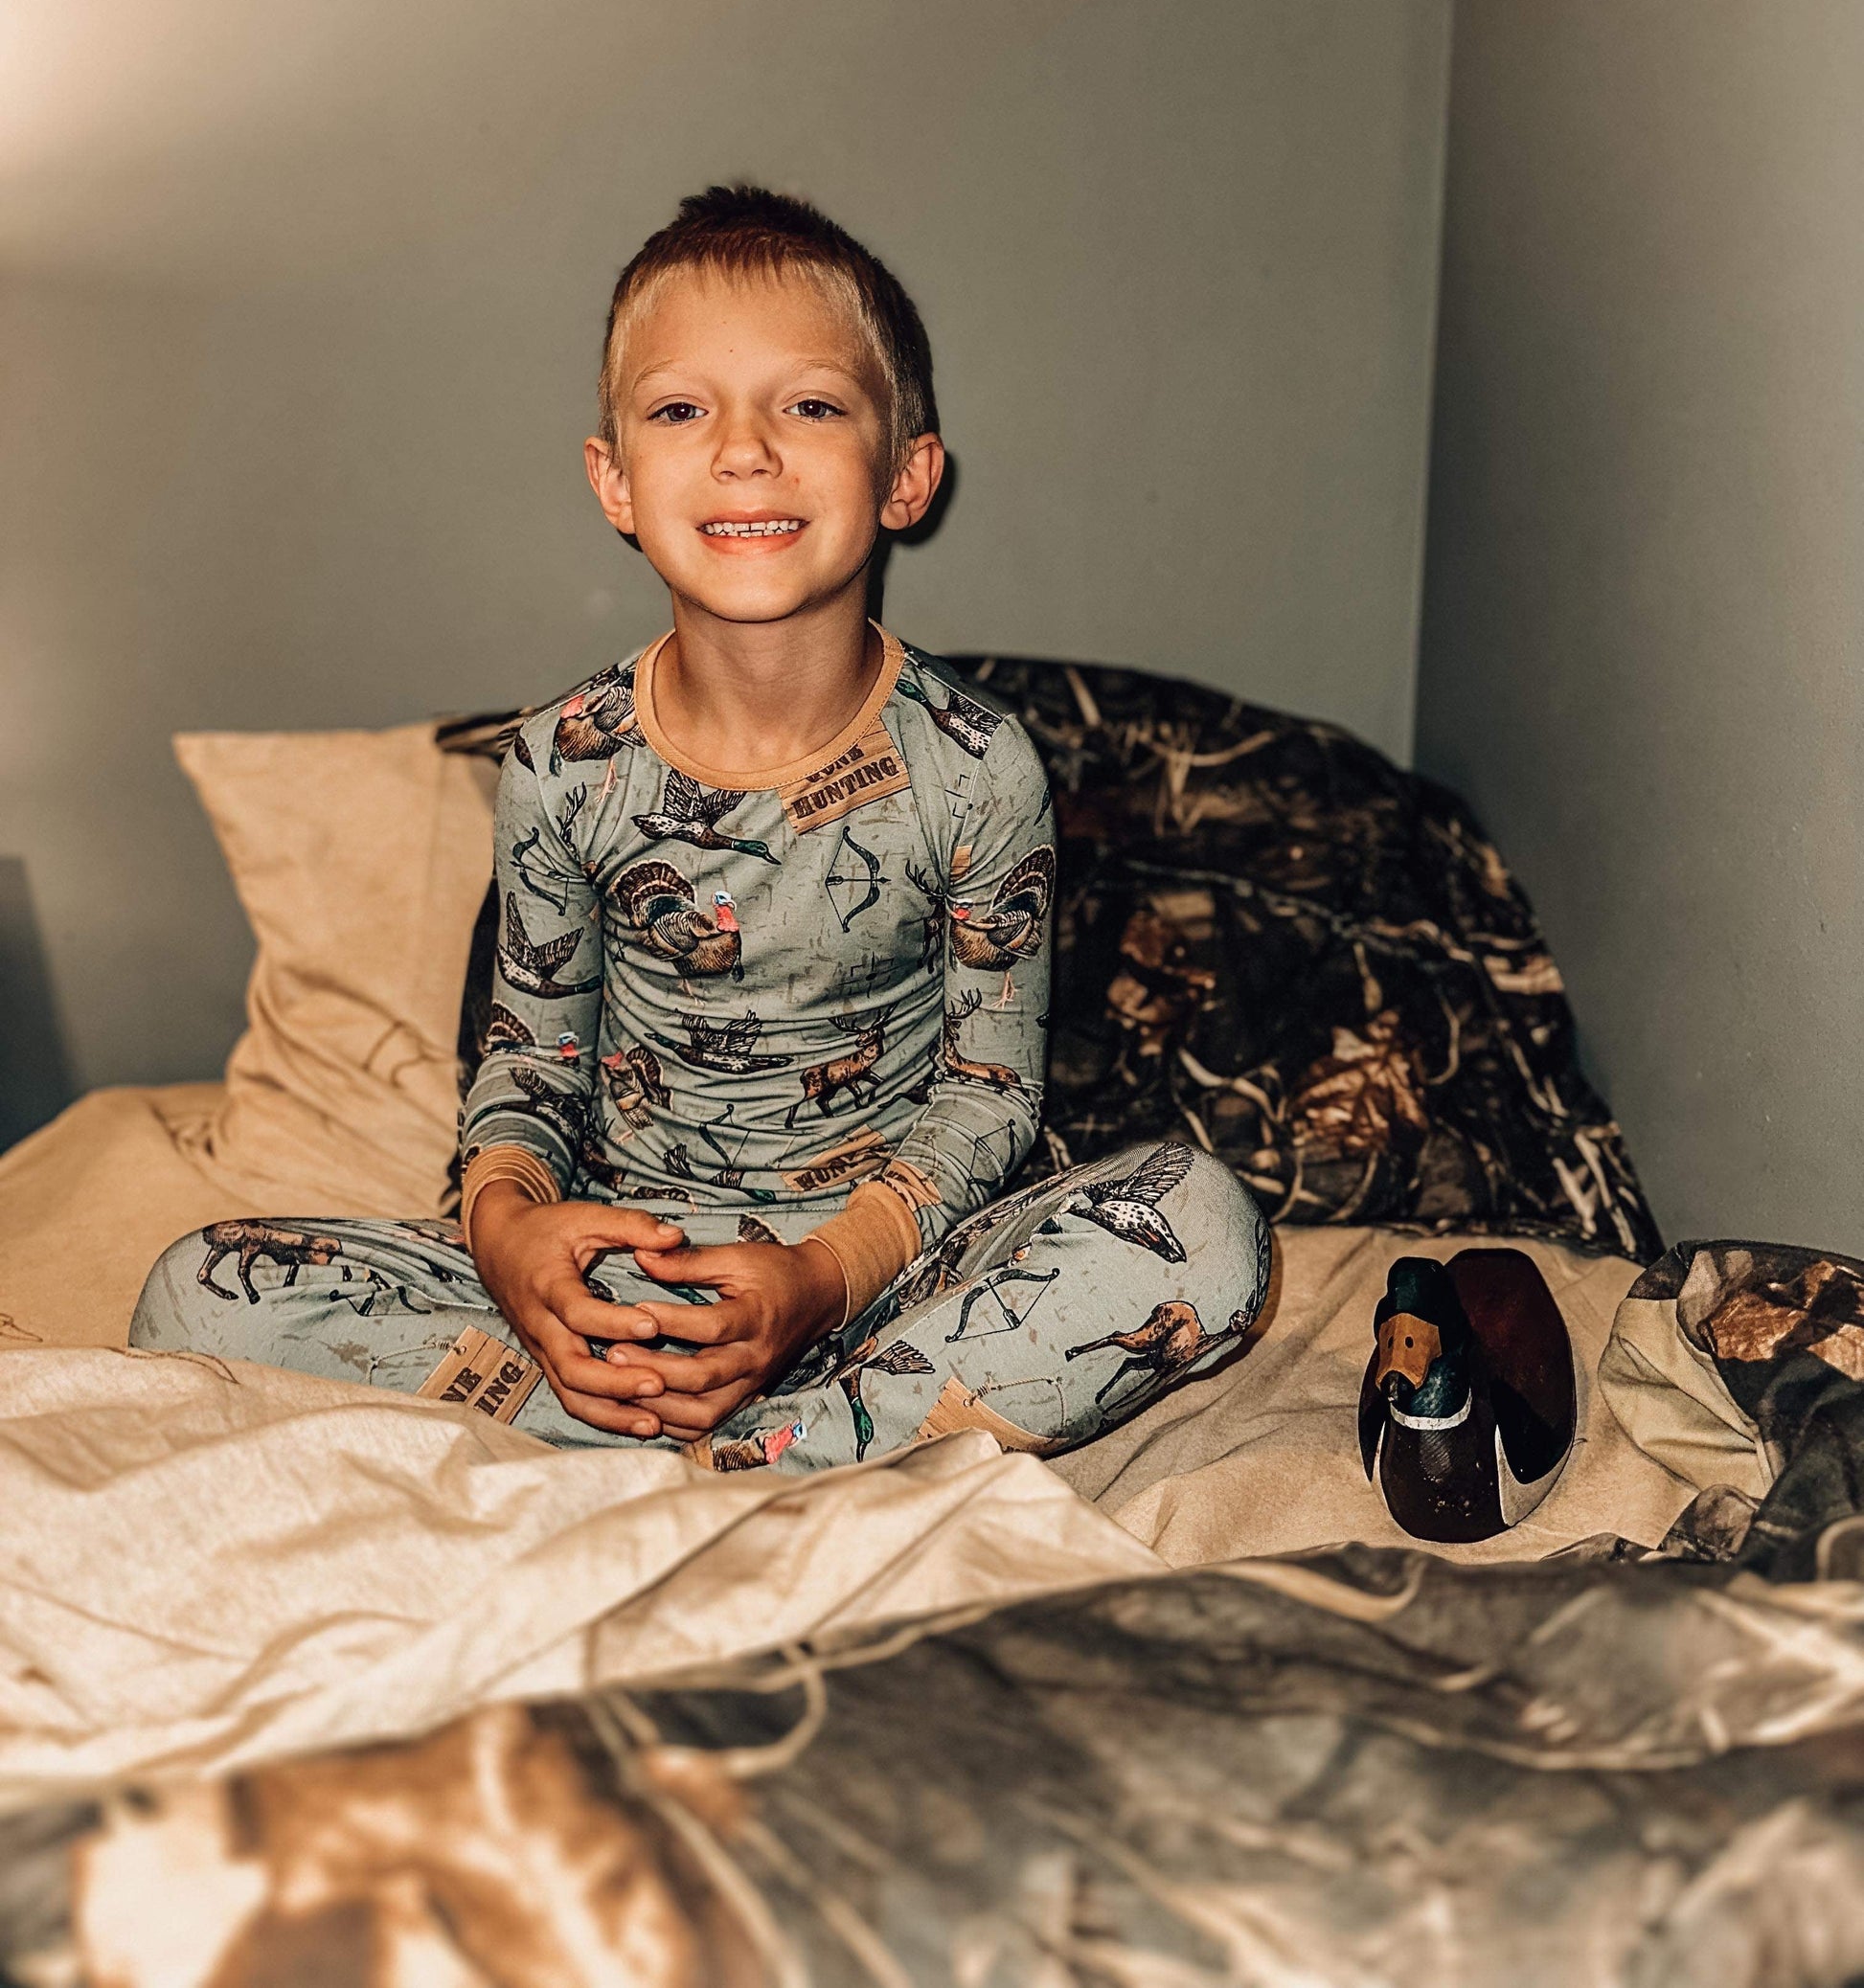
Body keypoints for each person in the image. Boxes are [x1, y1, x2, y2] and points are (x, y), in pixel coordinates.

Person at [130, 188, 1270, 1471]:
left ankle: (741, 1439)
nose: (744, 450)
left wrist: (821, 1277)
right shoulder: (563, 762)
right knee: (197, 1287)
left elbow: (987, 1097)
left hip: (885, 1276)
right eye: (681, 410)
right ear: (614, 480)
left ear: (905, 475)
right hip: (628, 1271)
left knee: (1202, 1228)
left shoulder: (974, 766)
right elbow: (530, 1060)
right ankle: (755, 1435)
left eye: (810, 406)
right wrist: (508, 1233)